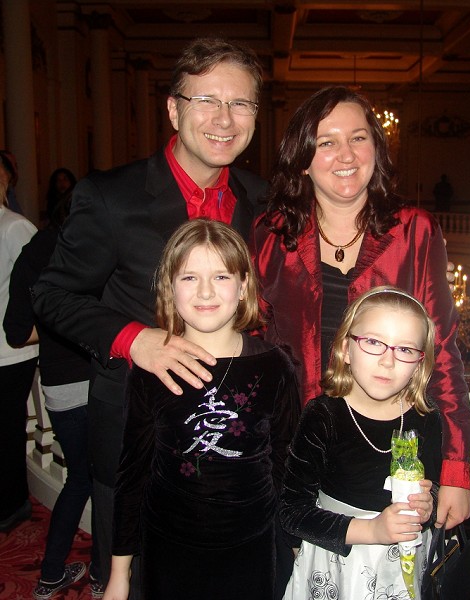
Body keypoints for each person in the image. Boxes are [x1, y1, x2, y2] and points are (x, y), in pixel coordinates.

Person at [33, 37, 267, 592]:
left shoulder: (261, 201)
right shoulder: (111, 197)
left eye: (240, 103)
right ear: (174, 109)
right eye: (206, 100)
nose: (225, 119)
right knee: (132, 583)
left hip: (230, 435)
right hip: (135, 435)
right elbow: (52, 294)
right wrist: (134, 338)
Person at [250, 86, 470, 530]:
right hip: (293, 448)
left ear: (377, 147)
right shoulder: (270, 234)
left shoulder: (415, 231)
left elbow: (443, 351)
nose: (346, 155)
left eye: (358, 137)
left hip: (391, 450)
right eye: (326, 142)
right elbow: (254, 343)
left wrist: (455, 469)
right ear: (302, 158)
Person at [102, 219, 300, 600]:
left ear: (243, 286)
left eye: (221, 276)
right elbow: (132, 473)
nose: (205, 291)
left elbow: (286, 466)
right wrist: (119, 573)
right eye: (189, 277)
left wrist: (295, 548)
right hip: (169, 548)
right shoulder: (152, 370)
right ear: (170, 287)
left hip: (250, 547)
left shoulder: (275, 367)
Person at [280, 286, 441, 599]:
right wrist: (373, 530)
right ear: (345, 349)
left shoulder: (426, 417)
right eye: (373, 342)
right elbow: (292, 512)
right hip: (337, 563)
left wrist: (427, 506)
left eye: (405, 349)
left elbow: (431, 488)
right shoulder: (323, 416)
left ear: (419, 364)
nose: (387, 361)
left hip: (403, 566)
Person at [3, 190, 102, 598]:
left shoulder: (34, 251)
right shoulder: (91, 251)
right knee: (107, 482)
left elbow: (16, 332)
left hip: (58, 387)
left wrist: (53, 333)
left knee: (80, 479)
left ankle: (50, 574)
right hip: (99, 383)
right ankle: (103, 575)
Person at [0, 153, 38, 532]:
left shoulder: (14, 226)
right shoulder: (11, 226)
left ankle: (12, 503)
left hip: (11, 350)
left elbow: (37, 286)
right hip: (6, 348)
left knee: (8, 429)